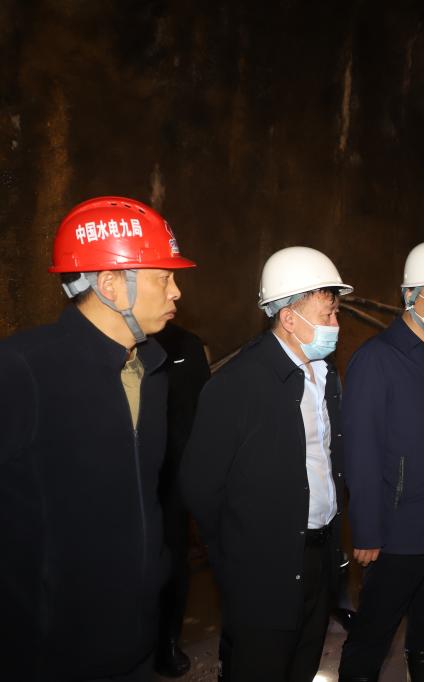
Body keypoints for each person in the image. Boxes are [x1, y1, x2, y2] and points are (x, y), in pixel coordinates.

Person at [0, 196, 195, 681]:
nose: (176, 292)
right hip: (50, 652)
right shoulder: (23, 368)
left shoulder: (151, 369)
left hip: (136, 636)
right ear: (110, 285)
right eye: (162, 278)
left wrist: (157, 567)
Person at [180, 246, 353, 681]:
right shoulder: (236, 386)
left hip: (320, 558)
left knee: (303, 664)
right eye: (327, 315)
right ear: (289, 319)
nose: (336, 325)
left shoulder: (324, 374)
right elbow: (200, 486)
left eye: (336, 313)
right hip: (263, 574)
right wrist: (237, 559)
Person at [338, 241, 424, 682]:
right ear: (410, 296)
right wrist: (367, 529)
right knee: (372, 638)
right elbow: (360, 450)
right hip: (399, 535)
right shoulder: (376, 359)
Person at [152, 322, 211, 677]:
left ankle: (167, 641)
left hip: (173, 478)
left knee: (174, 561)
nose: (174, 295)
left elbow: (204, 410)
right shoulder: (114, 347)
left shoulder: (186, 345)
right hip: (129, 478)